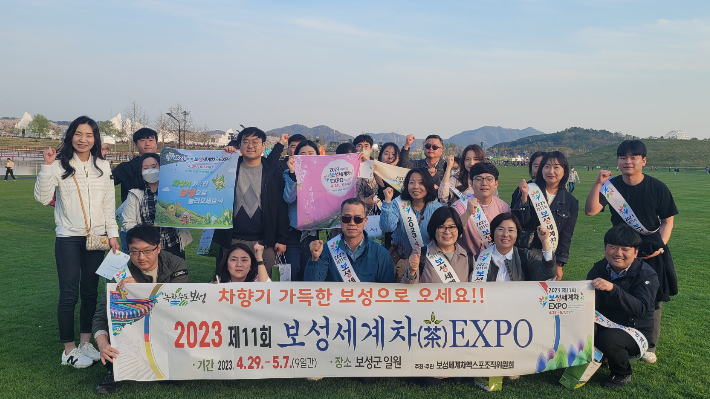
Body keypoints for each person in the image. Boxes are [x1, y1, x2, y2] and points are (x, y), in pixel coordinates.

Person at [34, 116, 120, 368]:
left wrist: (112, 235)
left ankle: (85, 343)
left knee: (90, 292)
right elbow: (42, 198)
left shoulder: (102, 166)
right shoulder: (59, 164)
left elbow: (108, 204)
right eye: (78, 134)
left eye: (89, 135)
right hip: (68, 237)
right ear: (71, 136)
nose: (83, 139)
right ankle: (68, 350)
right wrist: (47, 166)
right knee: (69, 294)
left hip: (96, 238)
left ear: (95, 139)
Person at [584, 140, 677, 363]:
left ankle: (649, 345)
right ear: (617, 161)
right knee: (614, 292)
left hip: (652, 252)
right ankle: (616, 336)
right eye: (623, 157)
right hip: (621, 249)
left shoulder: (657, 187)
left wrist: (660, 247)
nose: (628, 161)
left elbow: (667, 222)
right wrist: (597, 183)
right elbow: (591, 210)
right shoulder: (611, 186)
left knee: (653, 298)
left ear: (643, 161)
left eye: (633, 157)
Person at [93, 224, 189, 394]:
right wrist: (102, 344)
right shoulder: (120, 269)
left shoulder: (176, 264)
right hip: (133, 324)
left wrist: (138, 291)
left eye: (147, 251)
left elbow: (177, 303)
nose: (141, 257)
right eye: (134, 251)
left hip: (165, 323)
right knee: (117, 311)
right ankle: (114, 371)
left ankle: (168, 362)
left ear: (158, 248)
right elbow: (103, 310)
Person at [588, 224, 659, 388]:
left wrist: (613, 289)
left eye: (624, 249)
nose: (618, 253)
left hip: (635, 331)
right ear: (605, 248)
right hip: (604, 322)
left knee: (608, 339)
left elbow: (641, 309)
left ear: (636, 252)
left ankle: (622, 373)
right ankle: (597, 358)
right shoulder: (599, 268)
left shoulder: (647, 274)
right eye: (612, 247)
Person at [216, 127, 289, 274]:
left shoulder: (273, 173)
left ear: (263, 145)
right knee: (232, 283)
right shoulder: (228, 168)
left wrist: (282, 239)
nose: (250, 146)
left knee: (265, 285)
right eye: (246, 141)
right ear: (240, 145)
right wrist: (225, 155)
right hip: (233, 239)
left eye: (255, 142)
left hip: (265, 242)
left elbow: (281, 208)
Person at [513, 151, 578, 281]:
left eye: (556, 167)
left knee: (543, 296)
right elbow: (519, 222)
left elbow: (566, 235)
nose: (551, 171)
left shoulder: (570, 201)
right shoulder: (529, 189)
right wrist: (524, 197)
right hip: (523, 252)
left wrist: (559, 263)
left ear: (564, 171)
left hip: (548, 255)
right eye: (547, 166)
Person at [304, 198, 395, 283]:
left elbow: (389, 292)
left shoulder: (381, 254)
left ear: (365, 221)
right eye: (346, 218)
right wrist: (314, 259)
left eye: (358, 219)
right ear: (340, 220)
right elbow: (312, 287)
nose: (352, 223)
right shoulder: (326, 250)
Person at [121, 153, 192, 259]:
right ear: (140, 171)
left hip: (173, 246)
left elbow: (186, 212)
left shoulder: (174, 190)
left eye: (154, 167)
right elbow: (128, 223)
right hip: (147, 249)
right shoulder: (134, 194)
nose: (151, 170)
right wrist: (145, 230)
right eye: (146, 168)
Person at [380, 167, 443, 280]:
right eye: (412, 182)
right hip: (401, 262)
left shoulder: (437, 208)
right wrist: (387, 201)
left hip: (428, 264)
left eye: (421, 183)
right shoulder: (397, 203)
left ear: (428, 185)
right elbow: (387, 227)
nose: (416, 187)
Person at [111, 128, 159, 252]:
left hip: (163, 230)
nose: (147, 143)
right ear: (135, 144)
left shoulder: (166, 167)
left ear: (156, 143)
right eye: (142, 140)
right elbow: (105, 184)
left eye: (150, 140)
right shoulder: (125, 167)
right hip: (132, 223)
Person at [475, 213, 556, 282]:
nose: (505, 234)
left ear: (517, 234)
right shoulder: (479, 259)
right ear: (493, 232)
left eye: (511, 230)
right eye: (500, 229)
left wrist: (544, 241)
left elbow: (548, 273)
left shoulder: (525, 257)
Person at [402, 206, 473, 284]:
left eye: (452, 227)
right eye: (441, 227)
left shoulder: (468, 258)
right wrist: (411, 273)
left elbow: (476, 291)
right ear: (433, 229)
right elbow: (408, 290)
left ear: (458, 229)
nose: (447, 232)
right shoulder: (420, 254)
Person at [451, 162, 511, 255]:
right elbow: (451, 233)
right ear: (471, 183)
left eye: (489, 179)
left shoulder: (504, 208)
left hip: (495, 261)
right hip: (467, 263)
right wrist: (467, 213)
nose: (484, 183)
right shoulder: (459, 207)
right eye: (478, 179)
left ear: (496, 184)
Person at [283, 140, 322, 280]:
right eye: (302, 154)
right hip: (294, 232)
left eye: (311, 153)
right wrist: (293, 174)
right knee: (291, 274)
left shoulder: (323, 174)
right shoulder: (288, 173)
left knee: (310, 273)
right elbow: (289, 198)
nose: (306, 157)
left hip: (313, 233)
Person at [373, 141, 409, 248]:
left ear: (398, 158)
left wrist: (406, 145)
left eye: (393, 154)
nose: (389, 157)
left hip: (398, 217)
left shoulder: (403, 175)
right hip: (376, 216)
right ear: (380, 155)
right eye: (386, 153)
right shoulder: (372, 171)